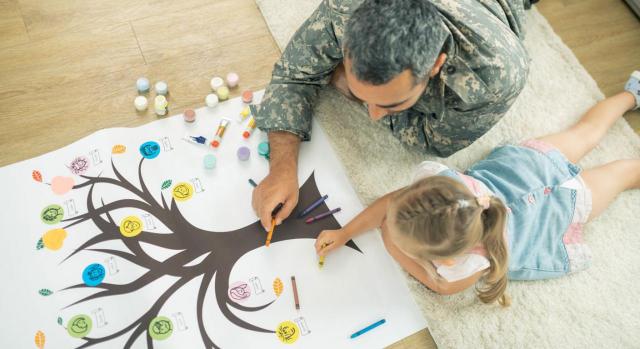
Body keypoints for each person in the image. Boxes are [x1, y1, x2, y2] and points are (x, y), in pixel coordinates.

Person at [315, 72, 640, 306]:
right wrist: (345, 233)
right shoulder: (442, 185)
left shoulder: (472, 264)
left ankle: (632, 95)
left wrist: (390, 244)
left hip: (560, 211)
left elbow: (439, 286)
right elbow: (392, 203)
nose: (386, 222)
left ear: (450, 259)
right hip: (529, 166)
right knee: (589, 133)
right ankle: (632, 94)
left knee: (623, 172)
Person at [252, 0, 535, 231]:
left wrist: (343, 85)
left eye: (391, 104)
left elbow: (432, 141)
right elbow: (294, 73)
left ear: (436, 64)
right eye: (360, 93)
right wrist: (282, 170)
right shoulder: (348, 8)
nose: (373, 115)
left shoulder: (495, 78)